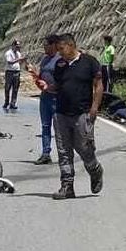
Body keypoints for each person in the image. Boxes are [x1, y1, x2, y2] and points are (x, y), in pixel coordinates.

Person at [47, 33, 104, 199]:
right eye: (58, 50)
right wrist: (48, 87)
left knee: (84, 148)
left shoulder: (89, 62)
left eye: (61, 49)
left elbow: (98, 86)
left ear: (71, 45)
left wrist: (94, 107)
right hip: (61, 113)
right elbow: (58, 85)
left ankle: (95, 170)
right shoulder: (60, 65)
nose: (59, 52)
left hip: (82, 113)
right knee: (63, 150)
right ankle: (67, 186)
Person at [27, 34, 61, 165]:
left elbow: (62, 80)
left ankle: (63, 154)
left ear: (54, 45)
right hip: (45, 97)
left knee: (59, 128)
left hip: (57, 98)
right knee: (45, 126)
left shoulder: (60, 60)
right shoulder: (45, 60)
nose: (44, 47)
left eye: (46, 45)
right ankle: (46, 153)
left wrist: (50, 87)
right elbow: (40, 77)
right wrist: (34, 74)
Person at [3, 40, 26, 111]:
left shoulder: (18, 53)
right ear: (13, 46)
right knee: (7, 88)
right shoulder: (8, 53)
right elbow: (10, 62)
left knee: (15, 88)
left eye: (18, 47)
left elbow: (19, 62)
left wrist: (23, 60)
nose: (18, 48)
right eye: (17, 46)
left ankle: (13, 103)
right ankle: (6, 102)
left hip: (17, 72)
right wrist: (19, 59)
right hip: (9, 72)